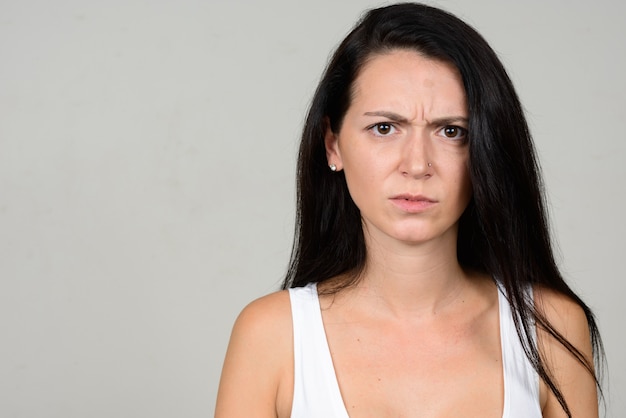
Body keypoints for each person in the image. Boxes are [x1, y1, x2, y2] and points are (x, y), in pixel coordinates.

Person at [215, 3, 604, 417]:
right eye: (384, 128)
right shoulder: (270, 338)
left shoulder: (551, 330)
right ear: (333, 144)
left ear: (487, 150)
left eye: (451, 131)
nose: (417, 164)